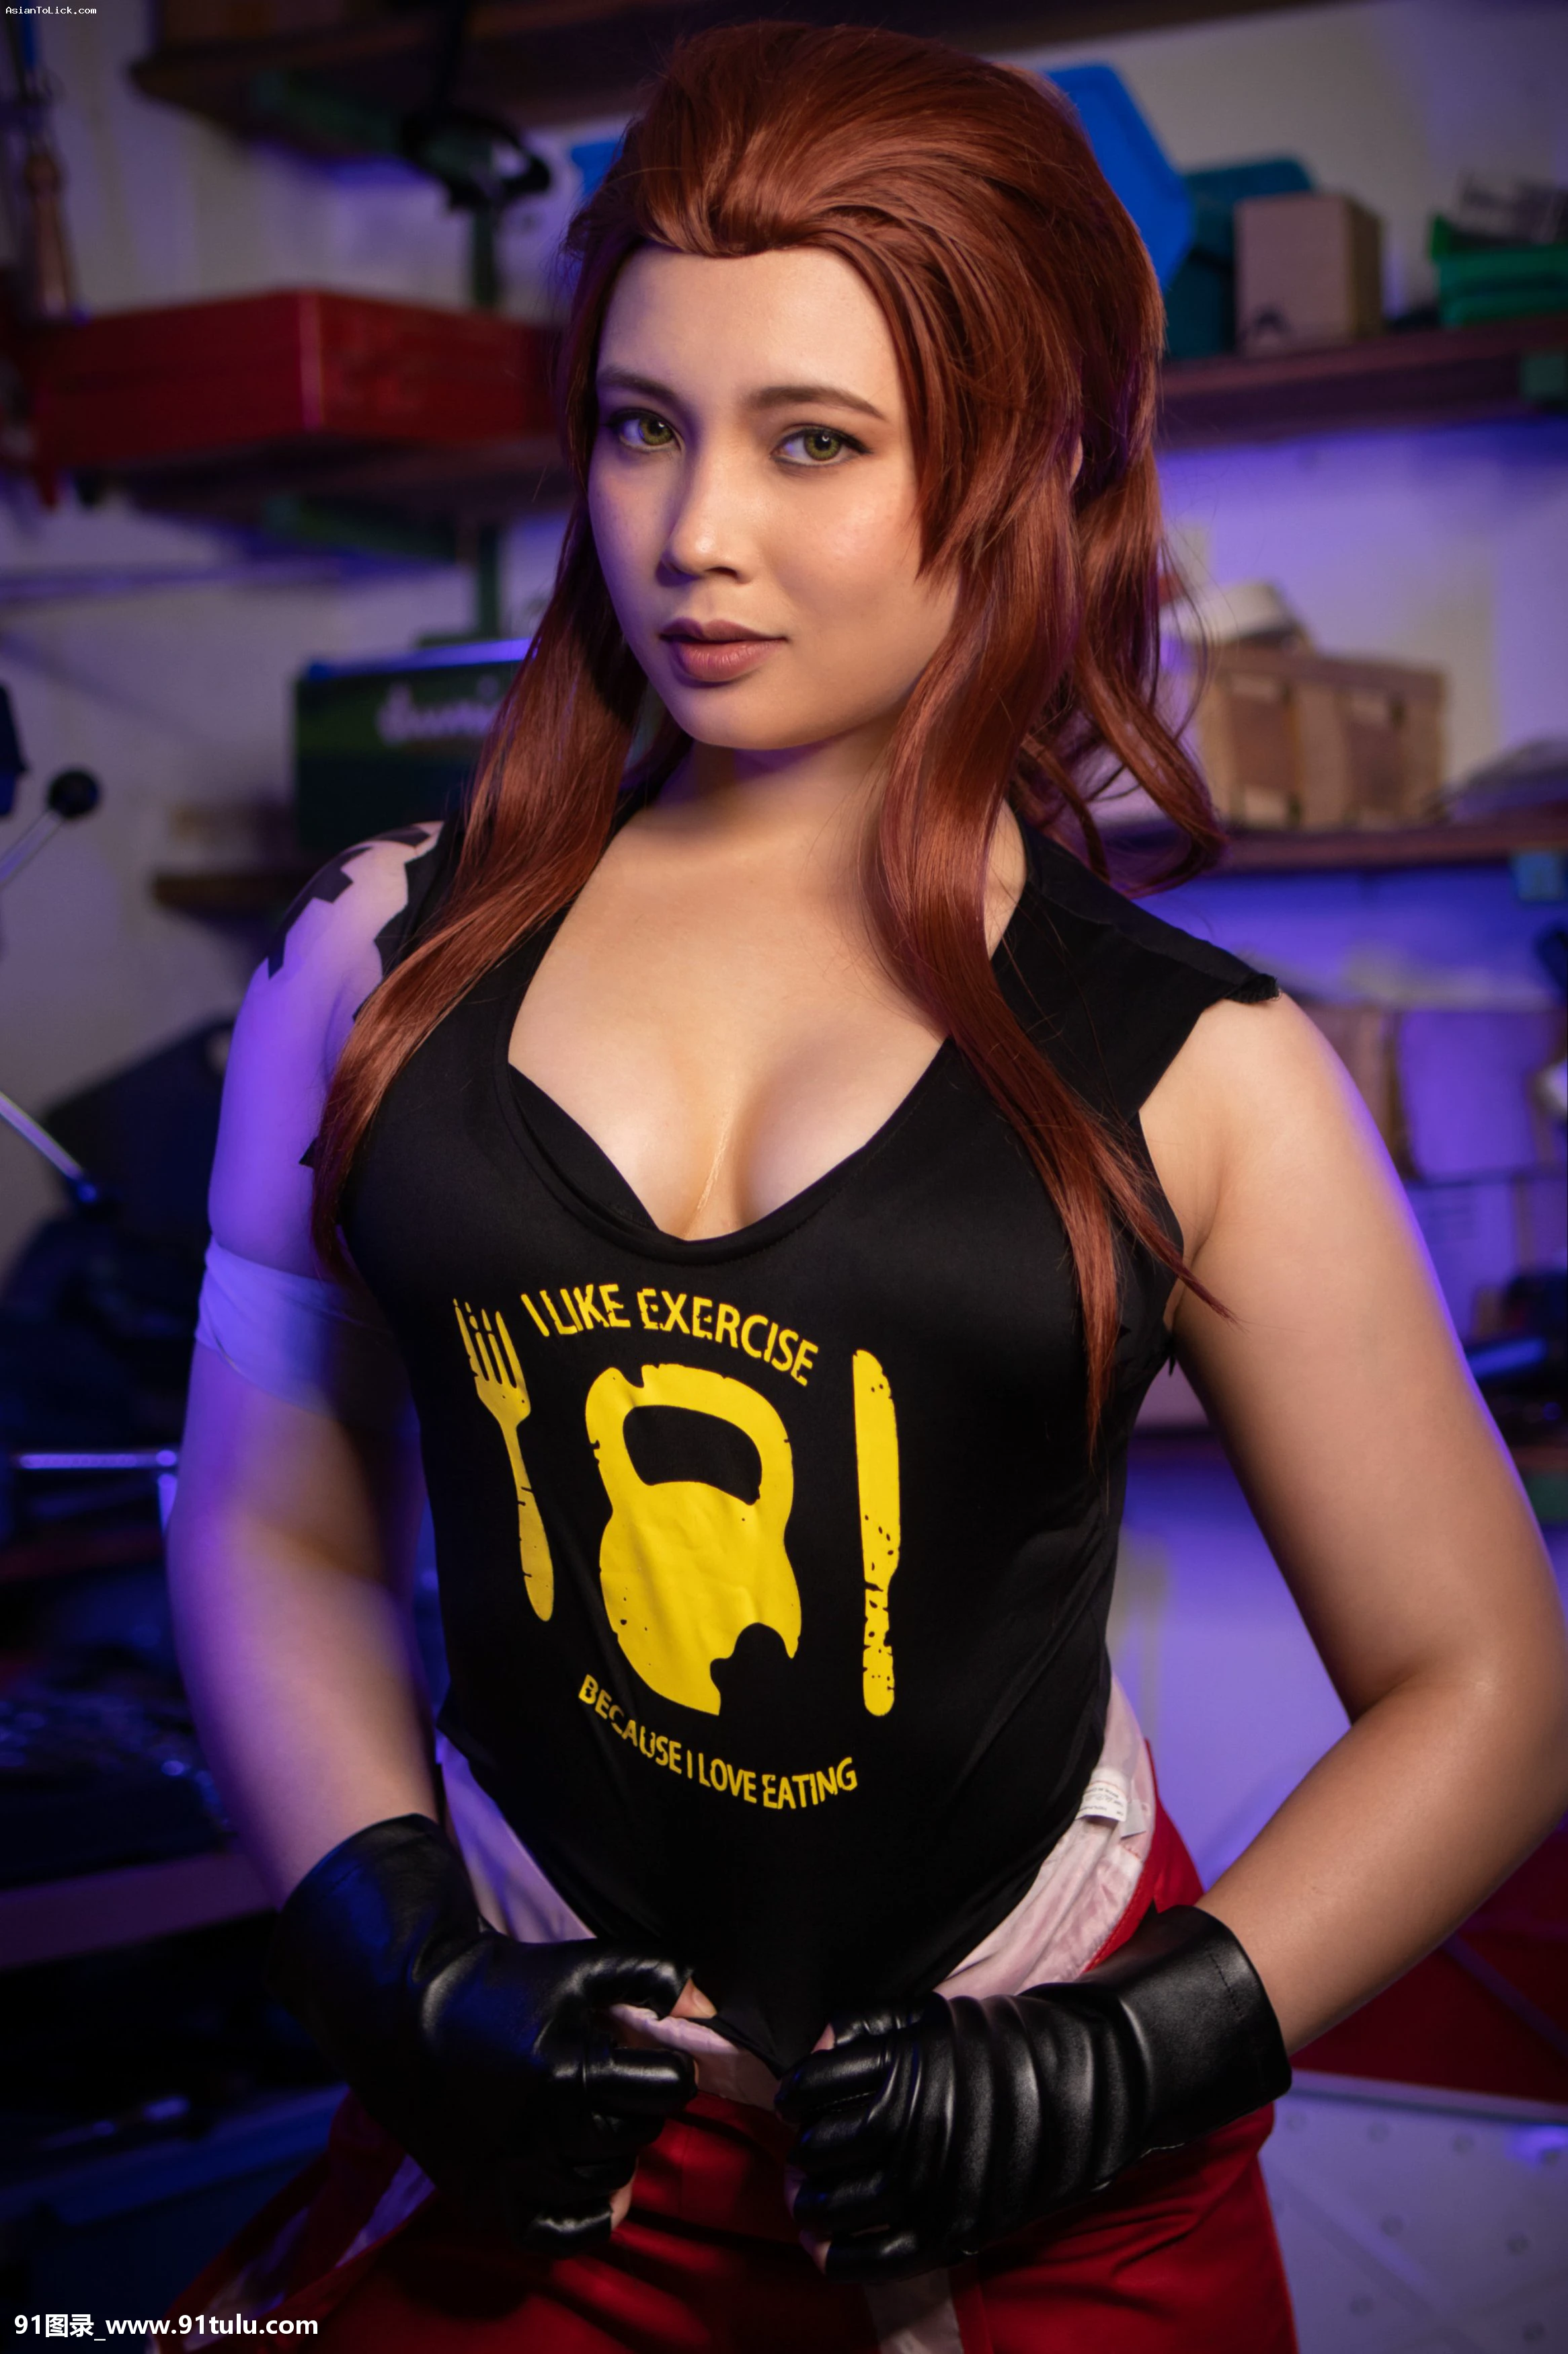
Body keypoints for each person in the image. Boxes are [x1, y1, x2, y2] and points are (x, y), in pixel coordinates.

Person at [165, 23, 1568, 2353]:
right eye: (642, 424)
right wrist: (384, 1941)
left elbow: (1486, 1682)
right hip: (535, 2118)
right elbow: (268, 1514)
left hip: (1038, 2175)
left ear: (1020, 472)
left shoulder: (1201, 1068)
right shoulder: (371, 960)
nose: (690, 532)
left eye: (812, 439)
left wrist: (1134, 2048)